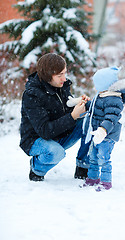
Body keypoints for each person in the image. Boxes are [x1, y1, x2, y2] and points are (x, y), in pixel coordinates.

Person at [20, 53, 90, 181]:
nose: (64, 78)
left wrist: (78, 103)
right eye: (60, 75)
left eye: (64, 73)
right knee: (56, 152)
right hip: (36, 140)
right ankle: (36, 169)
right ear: (48, 76)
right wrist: (73, 116)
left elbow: (64, 106)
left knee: (89, 121)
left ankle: (83, 167)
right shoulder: (32, 95)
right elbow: (44, 131)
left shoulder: (60, 85)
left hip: (58, 134)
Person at [82, 67, 125, 190]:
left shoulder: (114, 99)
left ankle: (106, 182)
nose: (96, 87)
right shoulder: (101, 95)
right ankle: (92, 178)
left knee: (103, 158)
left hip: (107, 136)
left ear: (105, 84)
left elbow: (111, 117)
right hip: (96, 134)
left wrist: (103, 130)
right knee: (92, 157)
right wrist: (82, 104)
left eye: (97, 84)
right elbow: (93, 106)